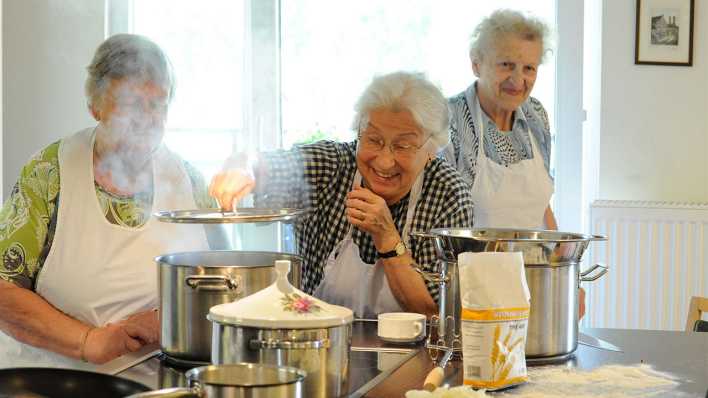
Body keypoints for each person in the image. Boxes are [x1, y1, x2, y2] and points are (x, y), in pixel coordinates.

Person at [0, 34, 220, 366]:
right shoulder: (49, 173)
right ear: (96, 105)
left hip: (157, 381)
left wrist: (169, 318)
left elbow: (222, 288)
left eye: (157, 104)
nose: (146, 119)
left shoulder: (189, 181)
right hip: (54, 379)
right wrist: (90, 341)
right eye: (131, 103)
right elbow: (4, 292)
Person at [209, 71, 474, 318]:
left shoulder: (448, 193)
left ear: (433, 150)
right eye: (373, 140)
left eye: (402, 145)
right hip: (319, 346)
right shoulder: (334, 167)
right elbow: (269, 164)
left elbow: (436, 312)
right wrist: (243, 168)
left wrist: (387, 238)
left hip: (415, 359)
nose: (384, 161)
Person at [441, 9, 557, 230]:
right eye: (506, 65)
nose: (518, 80)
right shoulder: (450, 118)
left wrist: (561, 257)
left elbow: (542, 206)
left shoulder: (536, 115)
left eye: (529, 68)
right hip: (470, 262)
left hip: (532, 262)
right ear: (476, 64)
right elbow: (436, 216)